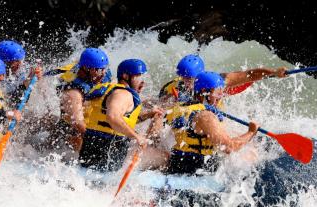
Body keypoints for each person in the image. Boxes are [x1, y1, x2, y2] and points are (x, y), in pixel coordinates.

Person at [162, 71, 261, 175]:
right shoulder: (206, 116)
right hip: (198, 170)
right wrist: (251, 132)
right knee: (251, 154)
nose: (221, 96)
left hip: (177, 162)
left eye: (222, 92)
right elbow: (229, 148)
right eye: (218, 93)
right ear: (205, 92)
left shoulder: (182, 107)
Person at [78, 59, 153, 172]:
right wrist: (137, 137)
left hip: (92, 145)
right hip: (107, 149)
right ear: (125, 76)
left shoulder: (110, 89)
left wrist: (149, 114)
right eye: (138, 77)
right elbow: (113, 117)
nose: (142, 82)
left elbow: (119, 120)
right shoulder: (123, 94)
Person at [42, 48, 112, 155]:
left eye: (104, 69)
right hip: (71, 128)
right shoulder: (73, 92)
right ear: (86, 69)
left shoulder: (98, 73)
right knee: (78, 145)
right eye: (98, 70)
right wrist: (98, 141)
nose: (103, 74)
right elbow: (78, 123)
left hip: (89, 119)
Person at [159, 54, 287, 105]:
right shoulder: (173, 88)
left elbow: (250, 74)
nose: (186, 82)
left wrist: (274, 72)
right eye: (184, 78)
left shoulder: (216, 81)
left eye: (190, 79)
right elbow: (159, 105)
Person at [0, 40, 43, 107]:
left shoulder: (24, 68)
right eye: (16, 62)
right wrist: (26, 84)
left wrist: (38, 78)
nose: (20, 65)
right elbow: (10, 103)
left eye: (20, 61)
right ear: (5, 63)